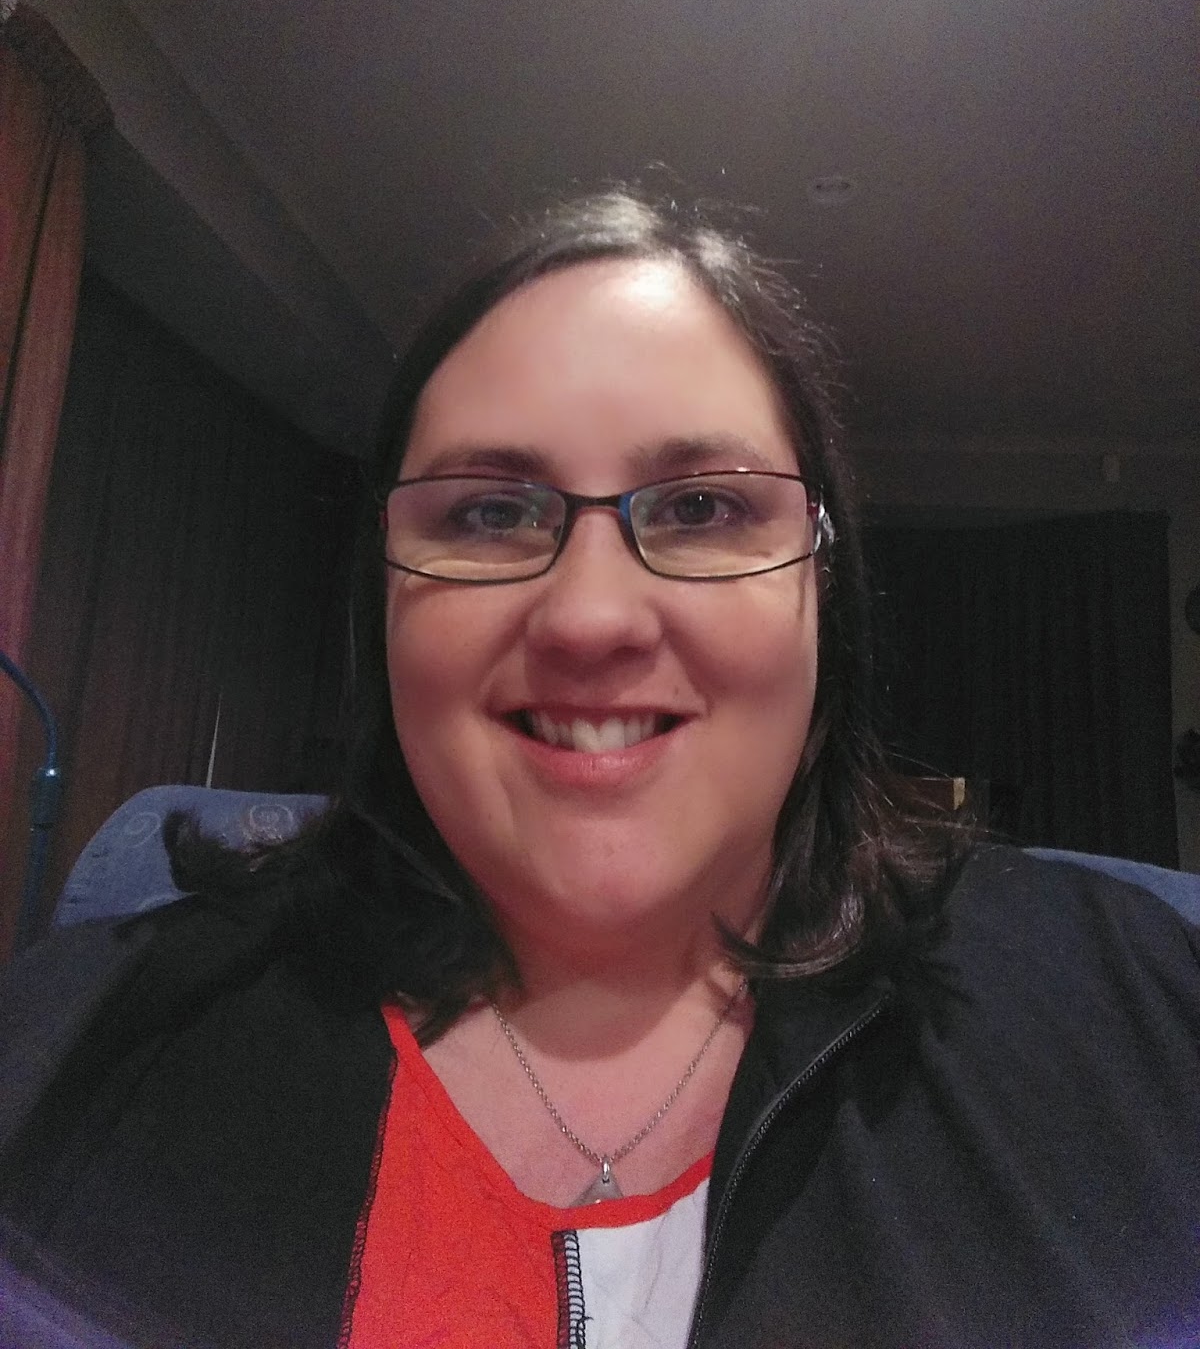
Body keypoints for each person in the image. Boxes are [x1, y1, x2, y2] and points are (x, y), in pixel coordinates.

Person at [0, 189, 1197, 1349]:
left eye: (702, 507)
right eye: (488, 514)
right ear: (382, 598)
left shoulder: (1146, 1020)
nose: (589, 618)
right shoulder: (66, 1053)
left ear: (822, 587)